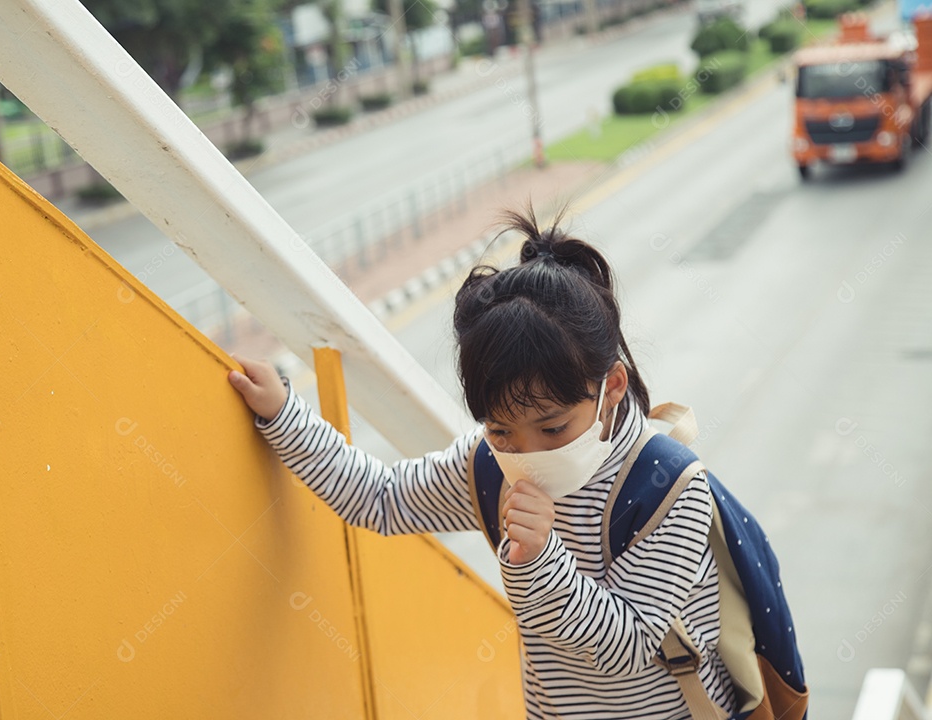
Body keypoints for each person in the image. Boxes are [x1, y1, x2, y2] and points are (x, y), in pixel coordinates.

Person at [227, 202, 738, 719]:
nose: (528, 453)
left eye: (554, 427)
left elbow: (630, 647)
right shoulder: (489, 466)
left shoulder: (669, 487)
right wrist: (283, 414)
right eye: (501, 430)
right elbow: (379, 499)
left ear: (611, 388)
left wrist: (540, 562)